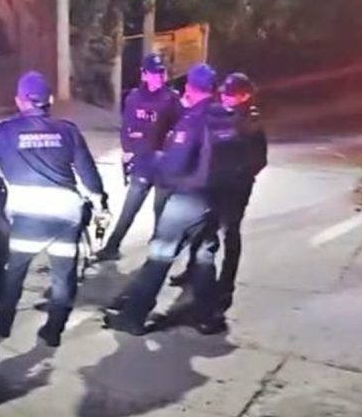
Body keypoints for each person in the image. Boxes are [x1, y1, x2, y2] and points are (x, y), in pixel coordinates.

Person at [0, 71, 108, 347]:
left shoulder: (5, 131)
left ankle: (0, 327)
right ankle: (53, 331)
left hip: (27, 216)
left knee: (12, 276)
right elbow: (89, 176)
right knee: (63, 277)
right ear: (50, 100)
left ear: (19, 100)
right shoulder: (68, 131)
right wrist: (100, 205)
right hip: (66, 214)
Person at [103, 63, 234, 336]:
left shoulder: (193, 121)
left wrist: (156, 162)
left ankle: (133, 316)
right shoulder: (226, 117)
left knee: (160, 254)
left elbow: (175, 165)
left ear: (190, 88)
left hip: (188, 197)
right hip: (217, 197)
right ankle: (207, 316)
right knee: (204, 254)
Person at [170, 73, 267, 318]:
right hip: (213, 184)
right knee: (202, 229)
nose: (225, 97)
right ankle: (193, 270)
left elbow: (259, 160)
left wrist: (238, 174)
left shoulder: (251, 122)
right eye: (223, 93)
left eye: (231, 94)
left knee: (230, 233)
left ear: (245, 95)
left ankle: (226, 285)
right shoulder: (218, 115)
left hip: (236, 188)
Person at [95, 53, 182, 261]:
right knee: (130, 208)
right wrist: (127, 151)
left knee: (161, 210)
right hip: (142, 162)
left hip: (163, 164)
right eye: (154, 73)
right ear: (144, 74)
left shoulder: (172, 99)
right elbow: (127, 128)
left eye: (161, 73)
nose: (158, 77)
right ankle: (112, 247)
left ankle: (157, 253)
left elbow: (180, 129)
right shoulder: (134, 98)